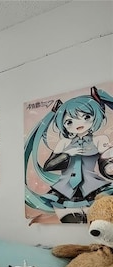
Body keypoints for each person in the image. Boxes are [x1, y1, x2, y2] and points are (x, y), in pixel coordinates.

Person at [25, 86, 113, 218]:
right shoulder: (64, 143)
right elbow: (48, 166)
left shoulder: (99, 140)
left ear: (95, 116)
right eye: (69, 121)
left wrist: (108, 166)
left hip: (93, 187)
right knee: (70, 219)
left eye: (86, 116)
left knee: (96, 221)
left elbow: (106, 162)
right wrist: (67, 154)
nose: (78, 123)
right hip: (63, 190)